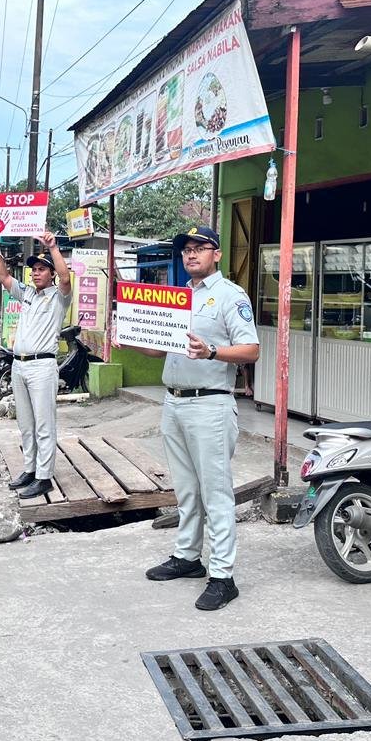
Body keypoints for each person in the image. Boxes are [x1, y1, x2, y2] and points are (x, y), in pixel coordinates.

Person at [120, 227, 260, 611]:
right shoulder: (178, 297)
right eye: (186, 250)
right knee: (185, 489)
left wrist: (212, 351)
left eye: (200, 248)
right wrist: (130, 338)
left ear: (217, 254)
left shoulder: (231, 296)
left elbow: (251, 350)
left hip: (210, 404)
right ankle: (187, 557)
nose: (191, 254)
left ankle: (223, 576)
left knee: (215, 493)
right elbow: (159, 349)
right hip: (175, 402)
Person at [0, 230, 72, 499]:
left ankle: (44, 477)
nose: (36, 273)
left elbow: (66, 278)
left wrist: (53, 248)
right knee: (25, 423)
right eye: (33, 270)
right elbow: (3, 276)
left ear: (51, 274)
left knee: (44, 424)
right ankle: (30, 469)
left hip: (42, 366)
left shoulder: (59, 297)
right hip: (19, 365)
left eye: (41, 269)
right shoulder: (27, 294)